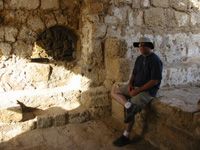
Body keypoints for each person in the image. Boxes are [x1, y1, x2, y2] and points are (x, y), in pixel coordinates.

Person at [111, 36, 163, 147]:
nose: (142, 47)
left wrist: (137, 90)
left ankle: (126, 136)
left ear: (150, 47)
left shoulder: (155, 60)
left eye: (145, 45)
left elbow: (154, 81)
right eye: (140, 45)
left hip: (147, 91)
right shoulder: (140, 58)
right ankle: (127, 104)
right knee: (114, 92)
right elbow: (134, 73)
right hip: (135, 86)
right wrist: (130, 84)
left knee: (131, 110)